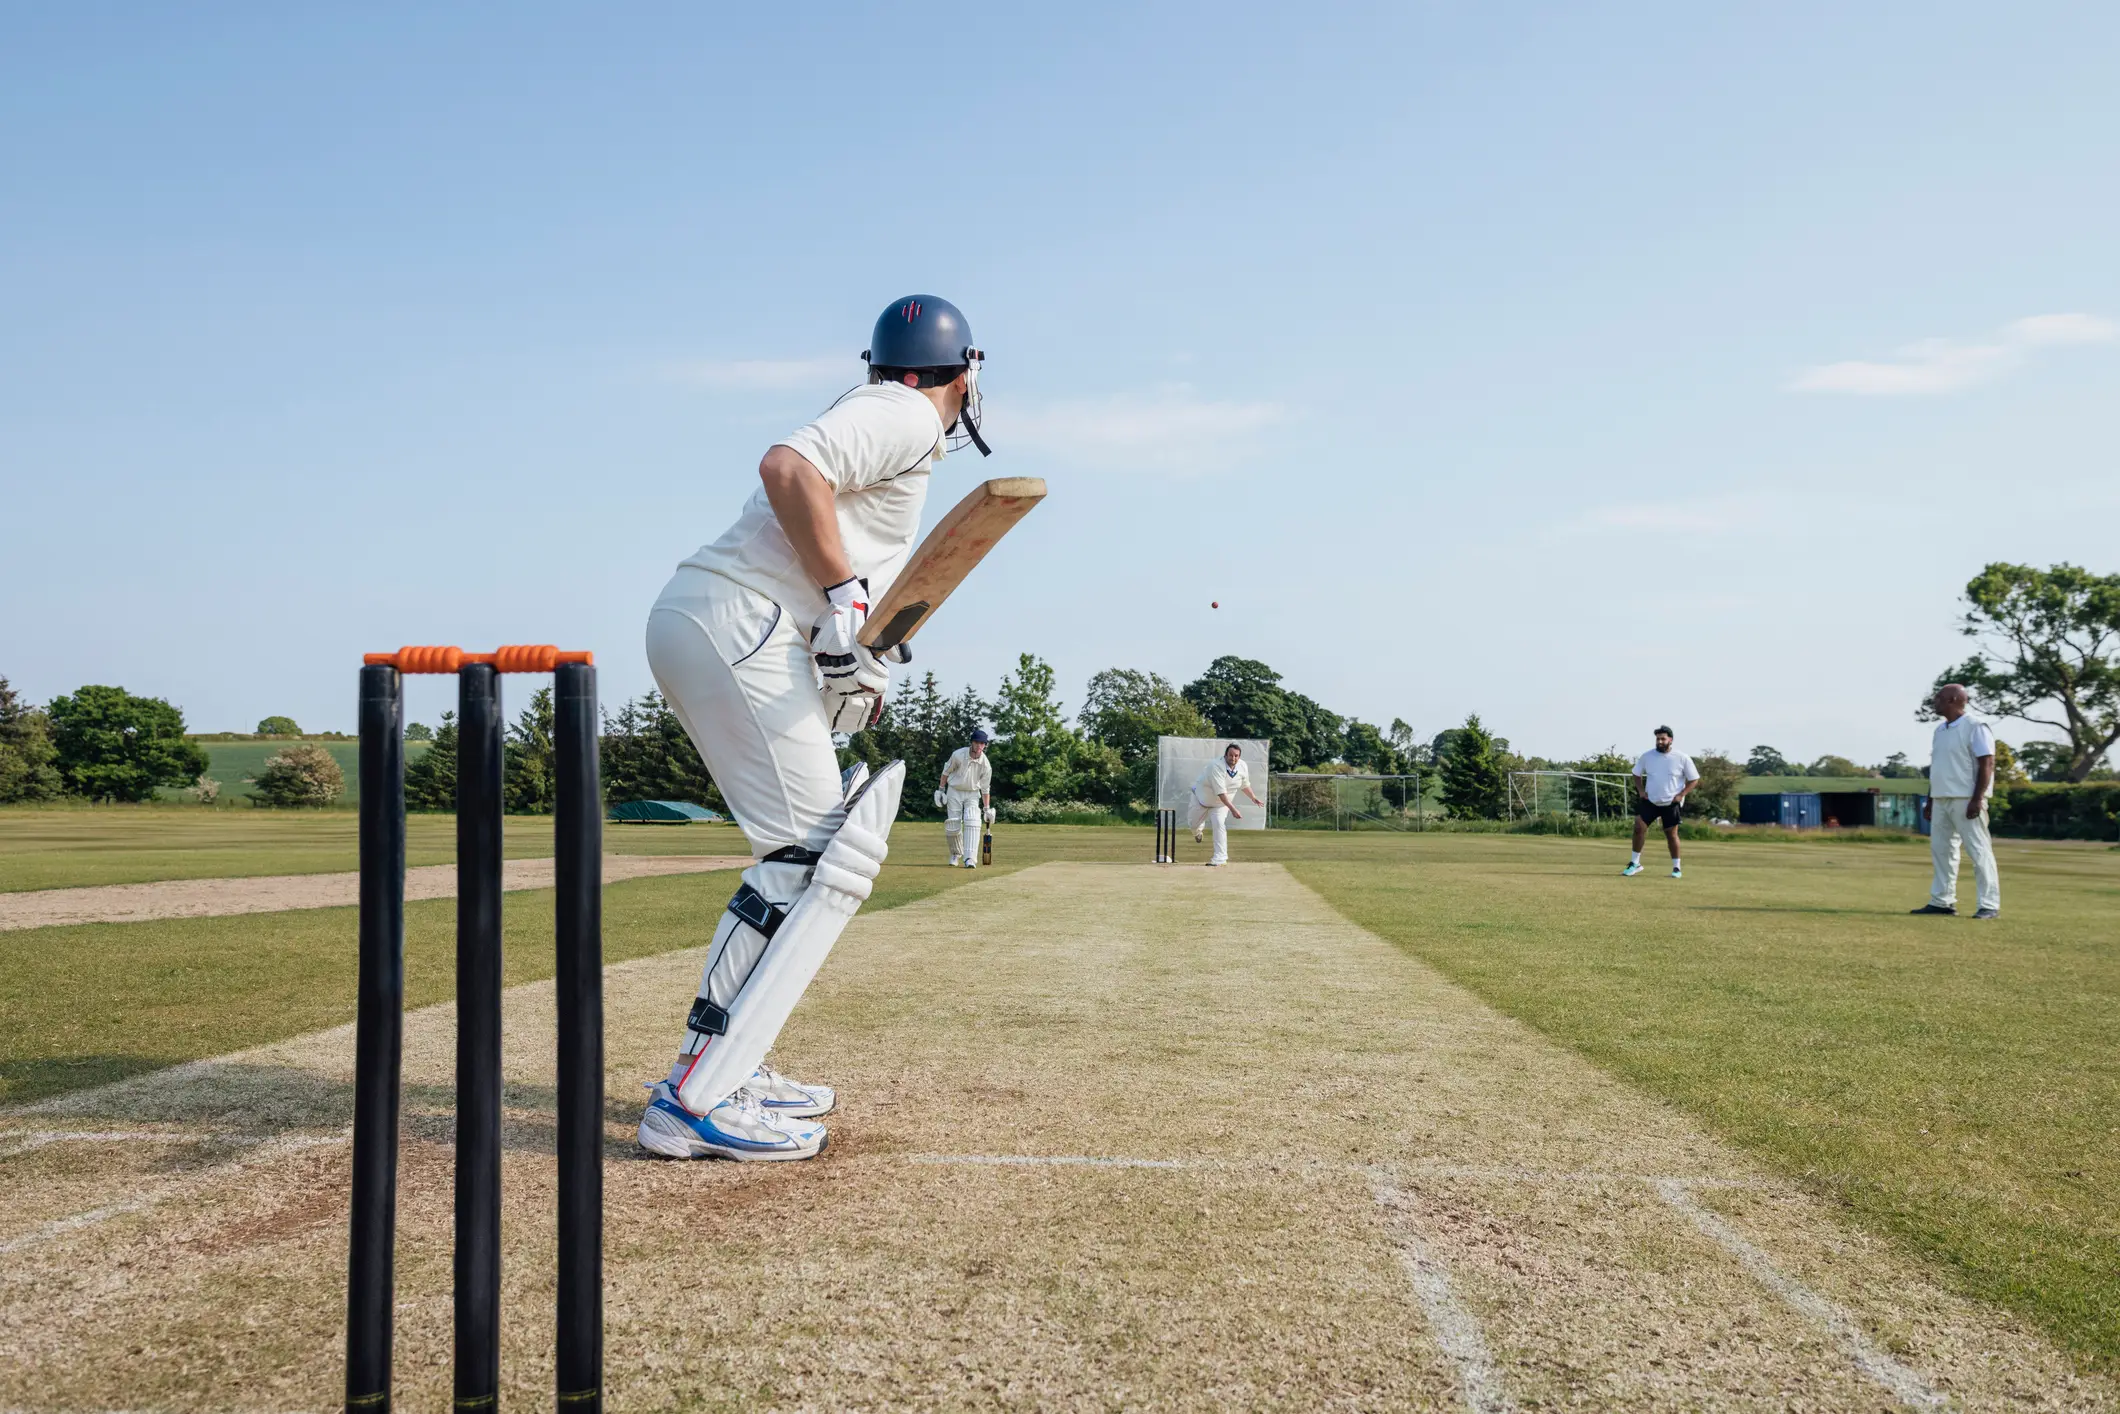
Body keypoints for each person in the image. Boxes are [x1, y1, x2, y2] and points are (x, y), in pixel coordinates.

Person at [635, 294, 991, 1161]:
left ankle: (725, 1061)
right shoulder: (906, 408)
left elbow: (818, 536)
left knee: (797, 854)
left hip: (726, 619)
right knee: (809, 858)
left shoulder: (889, 410)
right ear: (964, 372)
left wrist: (846, 652)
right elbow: (787, 467)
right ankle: (694, 1099)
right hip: (736, 621)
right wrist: (841, 599)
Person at [1912, 683, 2000, 919]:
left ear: (1952, 700)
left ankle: (1989, 904)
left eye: (1939, 698)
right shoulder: (1940, 730)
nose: (1935, 702)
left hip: (1966, 798)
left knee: (1979, 850)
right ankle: (1942, 901)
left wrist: (1977, 798)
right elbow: (1938, 767)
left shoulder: (1975, 727)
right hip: (1942, 797)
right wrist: (1931, 799)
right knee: (1941, 850)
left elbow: (1987, 764)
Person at [1625, 725, 1698, 878]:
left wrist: (1681, 795)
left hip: (1671, 802)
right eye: (1657, 739)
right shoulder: (1647, 756)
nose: (1659, 742)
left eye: (1663, 739)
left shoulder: (1682, 758)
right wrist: (1641, 791)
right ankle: (1635, 863)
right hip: (1650, 800)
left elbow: (1694, 779)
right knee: (1639, 827)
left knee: (1671, 834)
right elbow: (1636, 774)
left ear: (1670, 740)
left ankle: (1676, 868)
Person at [1189, 743, 1262, 867]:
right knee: (1193, 825)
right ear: (1225, 755)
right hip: (1201, 800)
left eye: (1236, 756)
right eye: (1230, 755)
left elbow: (1244, 785)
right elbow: (1221, 792)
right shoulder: (1216, 766)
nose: (1233, 758)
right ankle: (1198, 831)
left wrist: (1253, 797)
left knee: (1219, 824)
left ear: (1239, 757)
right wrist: (1233, 809)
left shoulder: (1242, 766)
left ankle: (1220, 858)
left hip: (1221, 805)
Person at [936, 728, 994, 868]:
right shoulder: (958, 755)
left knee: (973, 821)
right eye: (977, 742)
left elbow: (985, 788)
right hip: (954, 790)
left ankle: (970, 859)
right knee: (954, 824)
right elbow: (946, 772)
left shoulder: (985, 764)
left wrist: (986, 809)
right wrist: (941, 790)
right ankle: (955, 854)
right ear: (972, 743)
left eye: (982, 743)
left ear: (985, 745)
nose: (980, 746)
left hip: (972, 793)